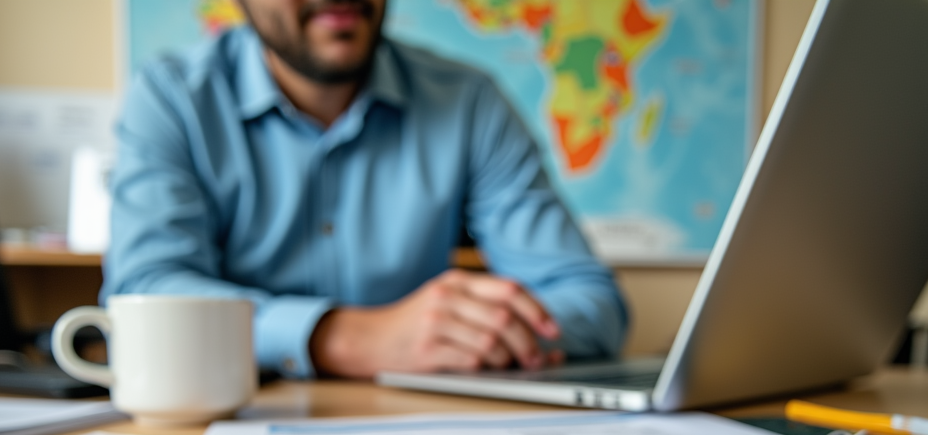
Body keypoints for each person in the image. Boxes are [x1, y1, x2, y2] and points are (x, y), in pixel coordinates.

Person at [103, 0, 627, 379]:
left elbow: (591, 302)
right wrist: (344, 338)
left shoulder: (469, 102)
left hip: (425, 434)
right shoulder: (171, 98)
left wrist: (482, 330)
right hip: (236, 423)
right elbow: (143, 292)